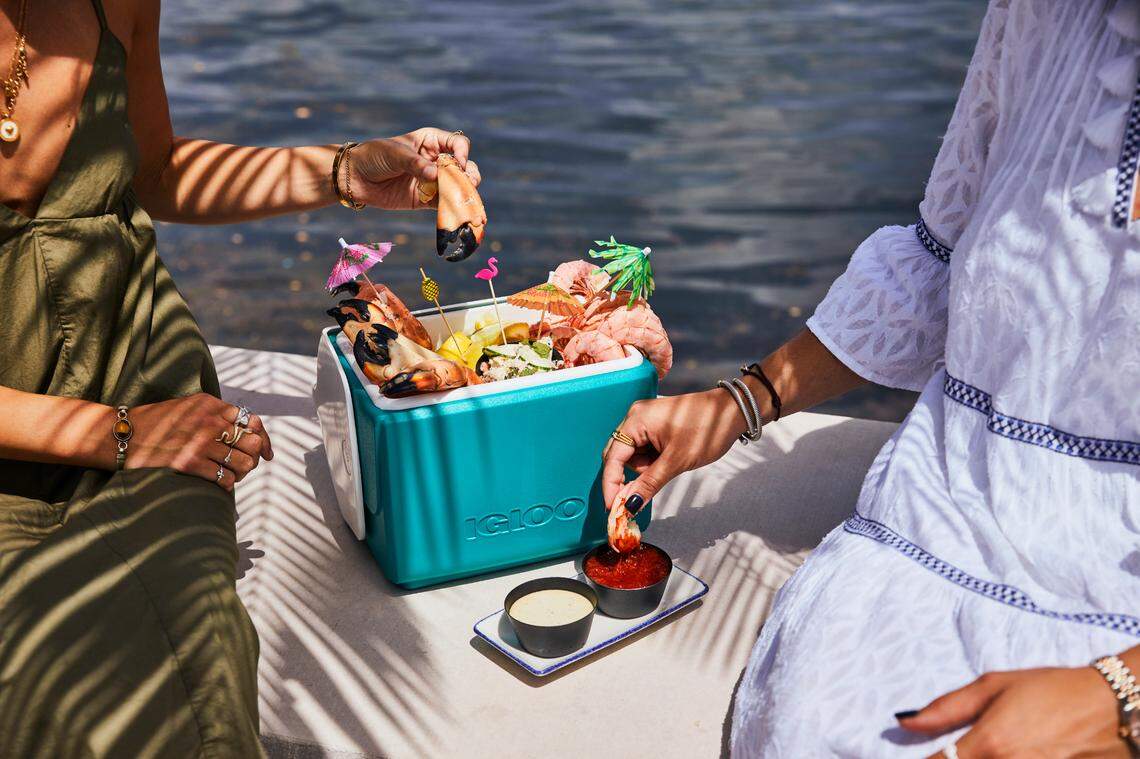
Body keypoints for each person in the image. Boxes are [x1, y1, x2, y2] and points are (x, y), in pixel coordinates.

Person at [602, 1, 1140, 756]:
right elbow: (937, 258)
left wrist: (1118, 696)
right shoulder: (1037, 14)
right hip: (947, 517)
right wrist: (740, 402)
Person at [0, 0, 479, 756]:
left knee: (193, 651)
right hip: (88, 426)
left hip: (128, 366)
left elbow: (156, 170)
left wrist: (346, 170)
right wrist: (122, 434)